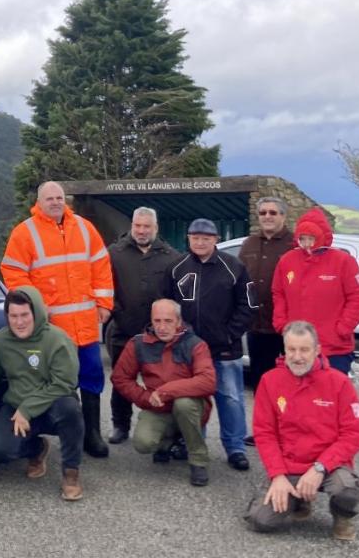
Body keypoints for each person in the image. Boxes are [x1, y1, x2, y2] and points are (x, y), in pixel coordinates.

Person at [1, 181, 113, 458]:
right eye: (49, 198)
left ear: (66, 199)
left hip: (86, 325)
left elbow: (101, 266)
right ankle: (69, 435)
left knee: (91, 378)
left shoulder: (85, 228)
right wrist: (38, 308)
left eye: (59, 197)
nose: (55, 202)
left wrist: (104, 303)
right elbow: (14, 274)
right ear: (38, 202)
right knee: (59, 382)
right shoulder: (24, 232)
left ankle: (92, 435)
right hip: (51, 330)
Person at [245, 321, 359, 541]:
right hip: (289, 465)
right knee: (259, 520)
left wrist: (320, 467)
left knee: (347, 489)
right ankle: (299, 499)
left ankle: (342, 516)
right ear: (284, 349)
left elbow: (353, 435)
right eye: (291, 349)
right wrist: (277, 476)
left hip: (329, 466)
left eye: (304, 349)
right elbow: (265, 434)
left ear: (317, 350)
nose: (297, 356)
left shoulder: (339, 383)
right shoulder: (270, 381)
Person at [0, 287, 85, 501]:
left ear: (36, 313)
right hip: (17, 404)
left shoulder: (58, 340)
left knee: (71, 411)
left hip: (52, 402)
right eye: (13, 316)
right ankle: (36, 449)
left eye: (24, 315)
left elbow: (65, 383)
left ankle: (71, 473)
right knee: (1, 451)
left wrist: (28, 409)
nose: (19, 322)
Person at [165, 218, 253, 470]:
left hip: (224, 349)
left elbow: (248, 305)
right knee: (192, 399)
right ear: (189, 239)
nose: (200, 242)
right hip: (188, 350)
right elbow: (166, 305)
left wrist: (229, 335)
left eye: (206, 238)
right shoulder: (177, 268)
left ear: (215, 240)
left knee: (231, 398)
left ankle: (235, 448)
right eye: (195, 237)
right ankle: (194, 444)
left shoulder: (234, 266)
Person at [111, 299, 216, 487]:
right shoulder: (138, 343)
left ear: (178, 321)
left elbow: (208, 381)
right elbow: (120, 378)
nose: (162, 327)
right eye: (157, 321)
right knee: (142, 443)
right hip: (158, 408)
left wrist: (166, 391)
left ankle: (198, 460)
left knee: (183, 403)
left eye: (168, 321)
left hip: (190, 407)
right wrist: (145, 399)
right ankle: (167, 442)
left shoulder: (195, 344)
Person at [104, 206, 178, 445]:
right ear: (132, 226)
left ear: (155, 228)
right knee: (121, 380)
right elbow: (104, 285)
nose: (141, 230)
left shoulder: (171, 257)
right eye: (137, 225)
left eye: (147, 226)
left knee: (162, 381)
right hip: (123, 330)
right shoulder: (114, 253)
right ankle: (120, 425)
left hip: (158, 336)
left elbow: (175, 295)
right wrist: (115, 309)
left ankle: (164, 430)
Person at [271, 208, 359, 375]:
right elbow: (278, 294)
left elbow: (358, 298)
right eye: (303, 239)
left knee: (331, 396)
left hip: (333, 348)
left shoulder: (343, 261)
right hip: (298, 347)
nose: (307, 243)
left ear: (322, 237)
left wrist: (342, 328)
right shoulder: (287, 261)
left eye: (312, 238)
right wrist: (282, 324)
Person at [237, 197, 293, 393]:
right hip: (257, 328)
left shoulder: (294, 245)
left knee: (291, 385)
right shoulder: (248, 244)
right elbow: (238, 280)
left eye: (273, 212)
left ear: (283, 216)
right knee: (262, 386)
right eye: (263, 213)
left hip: (287, 329)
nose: (267, 216)